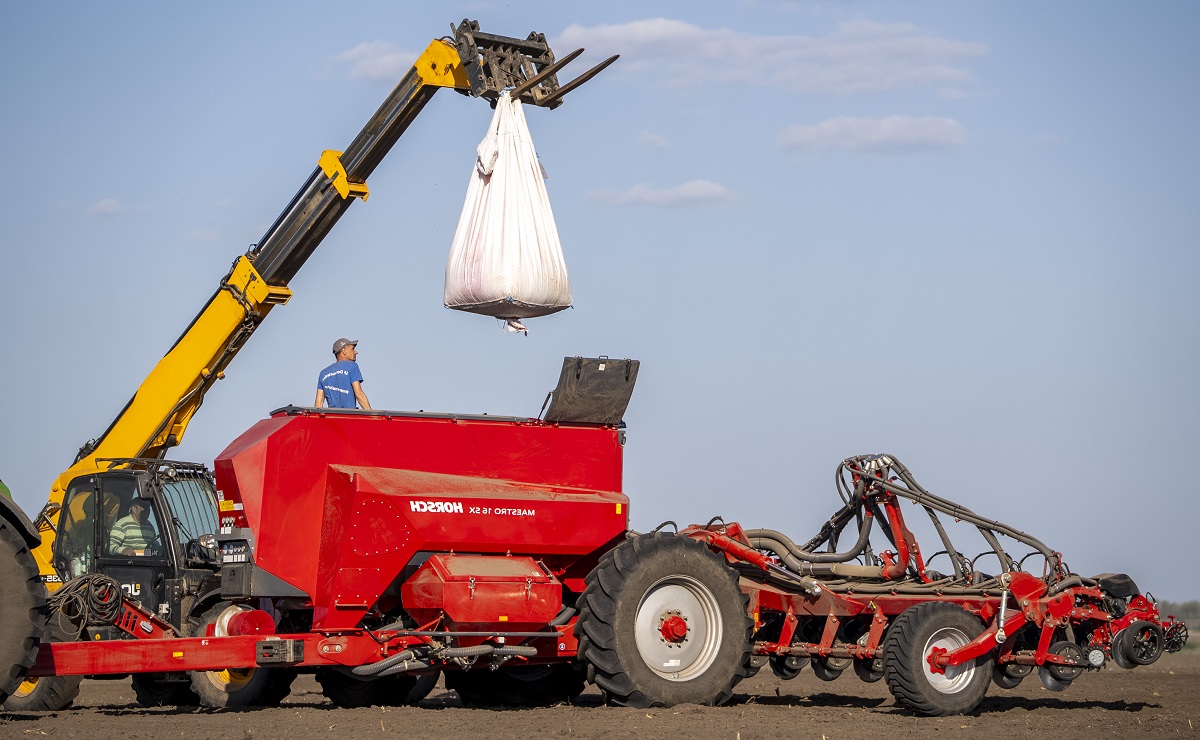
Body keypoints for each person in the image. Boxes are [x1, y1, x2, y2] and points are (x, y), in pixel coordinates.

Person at [315, 337, 372, 410]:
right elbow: (359, 395)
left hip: (332, 416)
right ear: (344, 351)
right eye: (352, 349)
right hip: (348, 415)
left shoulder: (323, 373)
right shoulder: (352, 366)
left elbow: (318, 405)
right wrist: (372, 414)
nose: (356, 352)